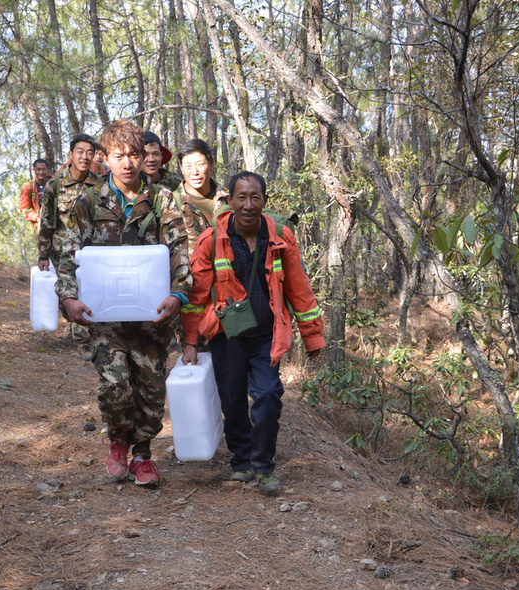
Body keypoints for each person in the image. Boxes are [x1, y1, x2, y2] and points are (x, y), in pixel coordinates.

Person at [54, 119, 192, 488]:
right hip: (105, 317)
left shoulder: (162, 200)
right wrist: (67, 297)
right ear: (105, 159)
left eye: (134, 155)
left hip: (152, 318)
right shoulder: (88, 202)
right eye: (119, 156)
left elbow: (181, 251)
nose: (128, 163)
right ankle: (117, 440)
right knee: (116, 384)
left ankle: (143, 455)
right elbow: (67, 255)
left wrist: (179, 293)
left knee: (149, 388)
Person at [182, 171, 324, 493]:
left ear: (264, 201)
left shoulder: (280, 236)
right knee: (231, 401)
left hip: (266, 335)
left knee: (267, 395)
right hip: (225, 336)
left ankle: (263, 467)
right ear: (229, 201)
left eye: (255, 197)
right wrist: (191, 342)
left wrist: (313, 336)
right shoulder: (211, 240)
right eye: (241, 197)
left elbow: (299, 288)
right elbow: (197, 297)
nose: (248, 204)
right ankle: (241, 462)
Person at [37, 134, 101, 271]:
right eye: (80, 152)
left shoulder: (100, 185)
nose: (84, 157)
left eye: (89, 153)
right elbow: (46, 223)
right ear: (71, 154)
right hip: (62, 256)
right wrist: (43, 255)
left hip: (91, 256)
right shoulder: (55, 185)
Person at [18, 158, 51, 233]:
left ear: (47, 170)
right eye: (38, 169)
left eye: (43, 169)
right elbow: (24, 208)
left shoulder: (55, 183)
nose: (41, 172)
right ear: (34, 171)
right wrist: (37, 218)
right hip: (41, 227)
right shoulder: (29, 188)